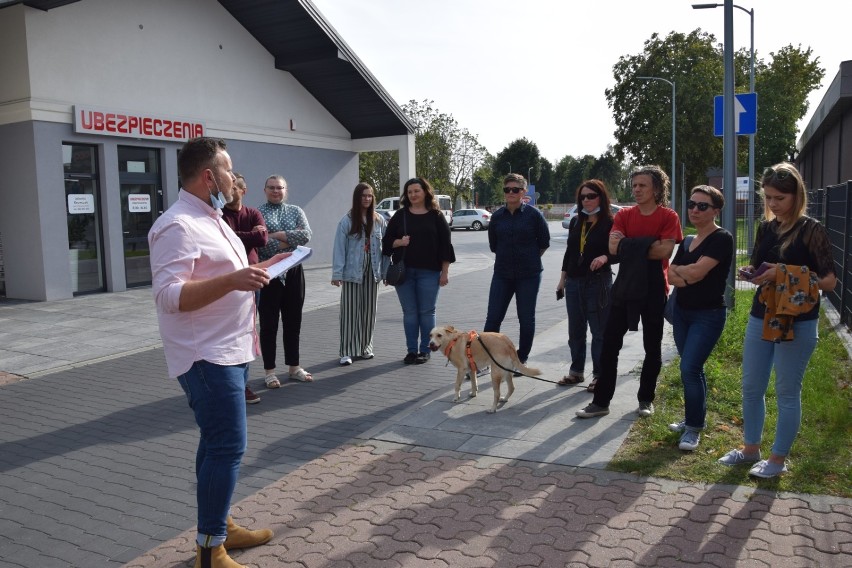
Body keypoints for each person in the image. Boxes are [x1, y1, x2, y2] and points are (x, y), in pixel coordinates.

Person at [149, 137, 284, 568]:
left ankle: (218, 525)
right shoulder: (177, 225)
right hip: (206, 356)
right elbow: (169, 296)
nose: (233, 176)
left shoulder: (214, 218)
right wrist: (232, 282)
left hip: (229, 348)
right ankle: (209, 550)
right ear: (208, 176)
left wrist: (260, 271)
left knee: (216, 443)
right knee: (227, 447)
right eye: (227, 170)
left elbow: (227, 272)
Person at [719, 163, 836, 478]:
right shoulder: (766, 227)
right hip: (763, 314)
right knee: (751, 386)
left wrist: (783, 273)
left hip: (798, 320)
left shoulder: (812, 229)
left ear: (797, 196)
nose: (772, 204)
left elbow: (829, 281)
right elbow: (760, 267)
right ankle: (750, 449)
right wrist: (754, 274)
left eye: (779, 198)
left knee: (786, 390)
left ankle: (777, 459)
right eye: (768, 197)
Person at [576, 165, 682, 419]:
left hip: (655, 287)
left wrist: (629, 245)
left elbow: (664, 252)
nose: (636, 189)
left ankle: (646, 399)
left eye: (642, 185)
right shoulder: (624, 215)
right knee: (609, 346)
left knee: (652, 348)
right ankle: (601, 402)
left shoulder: (668, 216)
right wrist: (646, 243)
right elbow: (613, 248)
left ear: (656, 189)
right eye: (634, 185)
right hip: (624, 287)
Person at [666, 186, 733, 451]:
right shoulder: (687, 240)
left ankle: (693, 429)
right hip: (682, 312)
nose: (694, 209)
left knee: (689, 369)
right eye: (692, 204)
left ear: (716, 210)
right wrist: (686, 273)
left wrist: (686, 273)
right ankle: (693, 418)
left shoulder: (722, 238)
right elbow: (670, 274)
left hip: (708, 315)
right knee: (692, 369)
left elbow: (696, 274)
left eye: (702, 206)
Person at [382, 177, 455, 364]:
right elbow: (386, 243)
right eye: (409, 192)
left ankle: (426, 350)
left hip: (430, 272)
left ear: (425, 192)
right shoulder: (400, 215)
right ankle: (411, 351)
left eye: (417, 191)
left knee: (427, 312)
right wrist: (400, 242)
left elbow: (445, 246)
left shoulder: (436, 216)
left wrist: (444, 272)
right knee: (410, 313)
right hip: (404, 272)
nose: (413, 195)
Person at [484, 173, 551, 370]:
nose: (511, 193)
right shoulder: (496, 217)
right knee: (493, 317)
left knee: (526, 317)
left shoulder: (533, 215)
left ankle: (521, 359)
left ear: (523, 192)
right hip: (502, 274)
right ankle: (487, 358)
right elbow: (494, 245)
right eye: (507, 189)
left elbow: (544, 243)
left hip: (529, 275)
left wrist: (528, 258)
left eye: (515, 189)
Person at [556, 180, 615, 388]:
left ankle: (599, 375)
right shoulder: (575, 222)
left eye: (591, 196)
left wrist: (605, 258)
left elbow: (618, 252)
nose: (587, 200)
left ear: (601, 197)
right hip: (573, 283)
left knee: (599, 331)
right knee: (576, 331)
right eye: (583, 197)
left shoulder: (610, 222)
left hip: (598, 283)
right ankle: (576, 372)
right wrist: (562, 281)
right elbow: (570, 253)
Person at [257, 175, 314, 386]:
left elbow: (306, 235)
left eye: (279, 188)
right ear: (264, 190)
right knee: (269, 324)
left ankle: (294, 367)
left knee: (293, 321)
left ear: (285, 190)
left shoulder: (296, 211)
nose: (275, 191)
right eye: (271, 187)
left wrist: (276, 235)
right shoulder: (258, 213)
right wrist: (287, 241)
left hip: (294, 272)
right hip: (269, 274)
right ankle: (269, 372)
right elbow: (261, 244)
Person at [221, 173, 267, 404]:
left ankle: (243, 383)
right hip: (228, 279)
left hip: (252, 279)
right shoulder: (219, 215)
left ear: (243, 190)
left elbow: (263, 240)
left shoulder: (253, 213)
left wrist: (239, 237)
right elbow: (226, 241)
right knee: (230, 332)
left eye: (233, 188)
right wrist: (250, 236)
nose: (228, 192)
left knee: (248, 331)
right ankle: (233, 384)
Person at [331, 183, 388, 366]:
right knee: (349, 312)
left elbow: (384, 250)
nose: (367, 199)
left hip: (373, 271)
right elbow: (339, 249)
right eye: (363, 196)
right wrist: (337, 273)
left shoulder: (379, 220)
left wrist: (385, 272)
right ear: (357, 198)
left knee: (369, 312)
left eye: (370, 196)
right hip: (352, 273)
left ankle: (365, 347)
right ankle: (346, 351)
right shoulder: (346, 221)